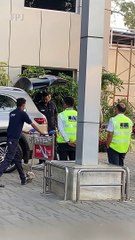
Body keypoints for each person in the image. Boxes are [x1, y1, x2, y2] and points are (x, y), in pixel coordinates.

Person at [0, 98, 43, 187]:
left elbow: (14, 126)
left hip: (11, 138)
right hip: (14, 140)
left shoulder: (12, 113)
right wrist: (41, 132)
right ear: (23, 105)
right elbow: (33, 124)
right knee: (8, 159)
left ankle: (23, 179)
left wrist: (25, 132)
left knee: (17, 160)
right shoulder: (22, 113)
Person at [57, 96, 77, 160]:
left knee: (64, 165)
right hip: (75, 143)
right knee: (73, 164)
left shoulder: (61, 115)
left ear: (65, 104)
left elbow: (61, 129)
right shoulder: (78, 114)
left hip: (63, 143)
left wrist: (68, 141)